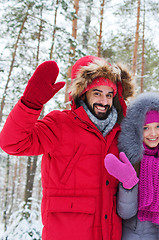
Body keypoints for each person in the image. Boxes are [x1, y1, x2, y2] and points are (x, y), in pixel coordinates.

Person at [0, 55, 135, 240]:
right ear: (82, 93)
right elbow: (13, 143)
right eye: (97, 93)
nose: (104, 101)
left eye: (109, 94)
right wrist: (30, 104)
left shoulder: (120, 134)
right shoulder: (59, 124)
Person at [104, 92, 159, 240]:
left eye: (158, 126)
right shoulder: (131, 160)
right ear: (137, 131)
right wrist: (128, 184)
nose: (153, 133)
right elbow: (126, 212)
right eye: (146, 128)